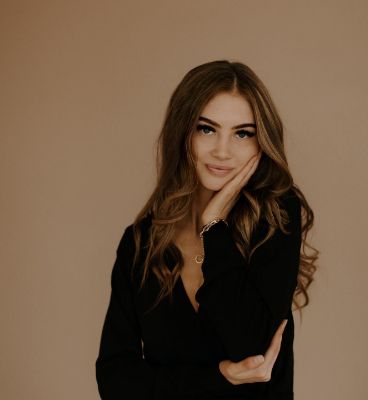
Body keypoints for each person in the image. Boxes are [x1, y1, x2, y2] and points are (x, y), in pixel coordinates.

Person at [95, 60, 319, 399]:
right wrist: (219, 377)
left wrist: (213, 226)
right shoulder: (141, 243)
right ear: (182, 134)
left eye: (242, 133)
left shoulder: (276, 220)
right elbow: (115, 380)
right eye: (206, 129)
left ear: (261, 143)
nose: (222, 151)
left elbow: (253, 350)